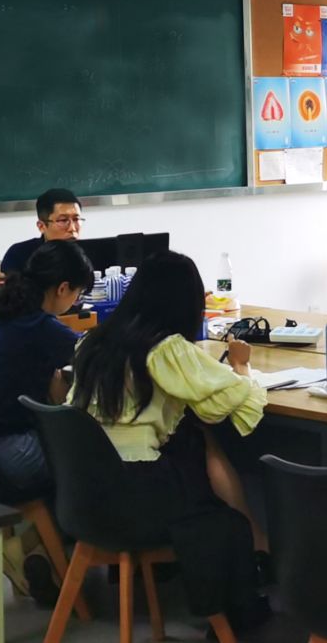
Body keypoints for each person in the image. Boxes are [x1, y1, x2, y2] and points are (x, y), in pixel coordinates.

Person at [68, 250, 271, 630]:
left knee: (196, 438)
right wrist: (241, 365)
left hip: (88, 490)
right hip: (139, 494)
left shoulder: (91, 342)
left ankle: (258, 554)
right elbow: (227, 400)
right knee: (226, 521)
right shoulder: (165, 349)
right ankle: (244, 601)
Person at [0, 240, 94, 493]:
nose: (76, 301)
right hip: (5, 452)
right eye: (78, 294)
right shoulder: (42, 327)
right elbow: (100, 358)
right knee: (91, 458)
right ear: (63, 288)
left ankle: (44, 519)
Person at [0, 188, 82, 274]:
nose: (72, 228)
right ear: (41, 226)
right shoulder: (19, 254)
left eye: (76, 219)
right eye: (63, 220)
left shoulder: (87, 253)